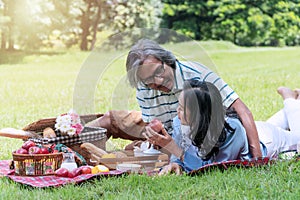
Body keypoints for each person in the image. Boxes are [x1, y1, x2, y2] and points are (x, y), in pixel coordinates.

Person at [87, 39, 262, 158]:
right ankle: (70, 144)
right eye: (148, 81)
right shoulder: (144, 89)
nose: (158, 81)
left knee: (135, 151)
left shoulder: (197, 75)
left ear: (168, 61)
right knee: (110, 120)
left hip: (199, 135)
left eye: (159, 72)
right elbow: (154, 127)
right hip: (171, 133)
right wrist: (151, 139)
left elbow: (242, 110)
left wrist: (257, 157)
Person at [143, 80, 300, 174]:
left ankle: (290, 100)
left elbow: (209, 168)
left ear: (200, 114)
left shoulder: (232, 131)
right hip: (258, 129)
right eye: (178, 105)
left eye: (183, 108)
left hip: (268, 140)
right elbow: (185, 154)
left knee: (298, 138)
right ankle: (290, 104)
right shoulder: (180, 122)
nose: (177, 112)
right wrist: (175, 162)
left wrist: (171, 146)